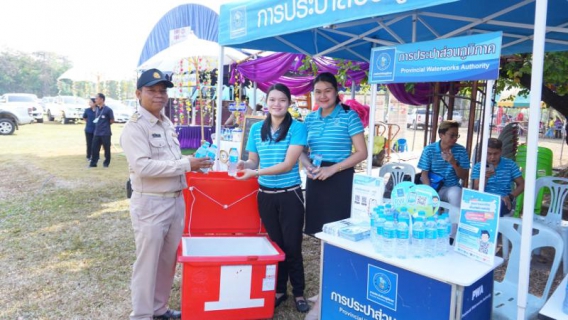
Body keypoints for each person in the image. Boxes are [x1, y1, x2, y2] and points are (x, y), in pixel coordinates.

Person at [120, 68, 212, 320]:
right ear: (139, 93)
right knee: (147, 263)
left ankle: (159, 309)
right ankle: (141, 315)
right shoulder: (135, 128)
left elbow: (170, 159)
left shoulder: (166, 122)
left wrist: (195, 163)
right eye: (152, 90)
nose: (159, 95)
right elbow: (143, 166)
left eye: (163, 90)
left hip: (174, 200)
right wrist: (186, 164)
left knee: (167, 261)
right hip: (150, 203)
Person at [235, 83, 309, 313]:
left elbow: (288, 165)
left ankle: (298, 292)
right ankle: (279, 290)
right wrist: (243, 164)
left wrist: (255, 172)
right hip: (265, 196)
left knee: (293, 246)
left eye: (282, 100)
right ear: (266, 103)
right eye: (272, 100)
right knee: (276, 245)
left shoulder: (297, 128)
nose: (277, 104)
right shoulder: (257, 129)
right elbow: (253, 162)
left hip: (290, 195)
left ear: (289, 103)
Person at [301, 72, 368, 235]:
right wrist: (308, 166)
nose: (322, 96)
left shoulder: (349, 115)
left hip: (340, 177)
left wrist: (333, 169)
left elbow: (362, 153)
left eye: (327, 90)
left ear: (336, 92)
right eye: (318, 91)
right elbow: (300, 151)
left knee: (339, 230)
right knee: (317, 230)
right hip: (316, 176)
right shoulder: (309, 119)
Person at [418, 120, 470, 210]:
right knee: (425, 202)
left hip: (451, 187)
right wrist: (430, 190)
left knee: (456, 194)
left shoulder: (461, 150)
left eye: (456, 135)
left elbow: (464, 176)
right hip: (432, 186)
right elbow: (424, 174)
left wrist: (454, 163)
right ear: (441, 135)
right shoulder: (429, 150)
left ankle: (454, 221)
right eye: (452, 135)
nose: (455, 138)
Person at [471, 138, 525, 217]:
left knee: (496, 208)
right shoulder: (478, 167)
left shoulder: (510, 165)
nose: (492, 157)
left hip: (504, 200)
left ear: (501, 151)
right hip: (484, 200)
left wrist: (510, 196)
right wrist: (485, 178)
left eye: (496, 153)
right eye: (489, 154)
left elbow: (522, 184)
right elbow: (476, 189)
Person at [89, 93, 114, 168]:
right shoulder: (97, 109)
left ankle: (106, 163)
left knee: (106, 149)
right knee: (94, 148)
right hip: (97, 132)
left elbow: (112, 120)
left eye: (97, 98)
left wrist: (105, 125)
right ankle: (93, 163)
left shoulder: (108, 110)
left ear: (102, 99)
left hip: (105, 133)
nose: (95, 100)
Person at [82, 97, 97, 162]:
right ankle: (89, 156)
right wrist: (89, 122)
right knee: (89, 143)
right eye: (89, 102)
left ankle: (95, 156)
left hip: (97, 130)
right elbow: (84, 117)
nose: (89, 103)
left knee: (96, 144)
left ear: (94, 103)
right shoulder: (87, 110)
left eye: (91, 102)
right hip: (88, 129)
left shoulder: (99, 110)